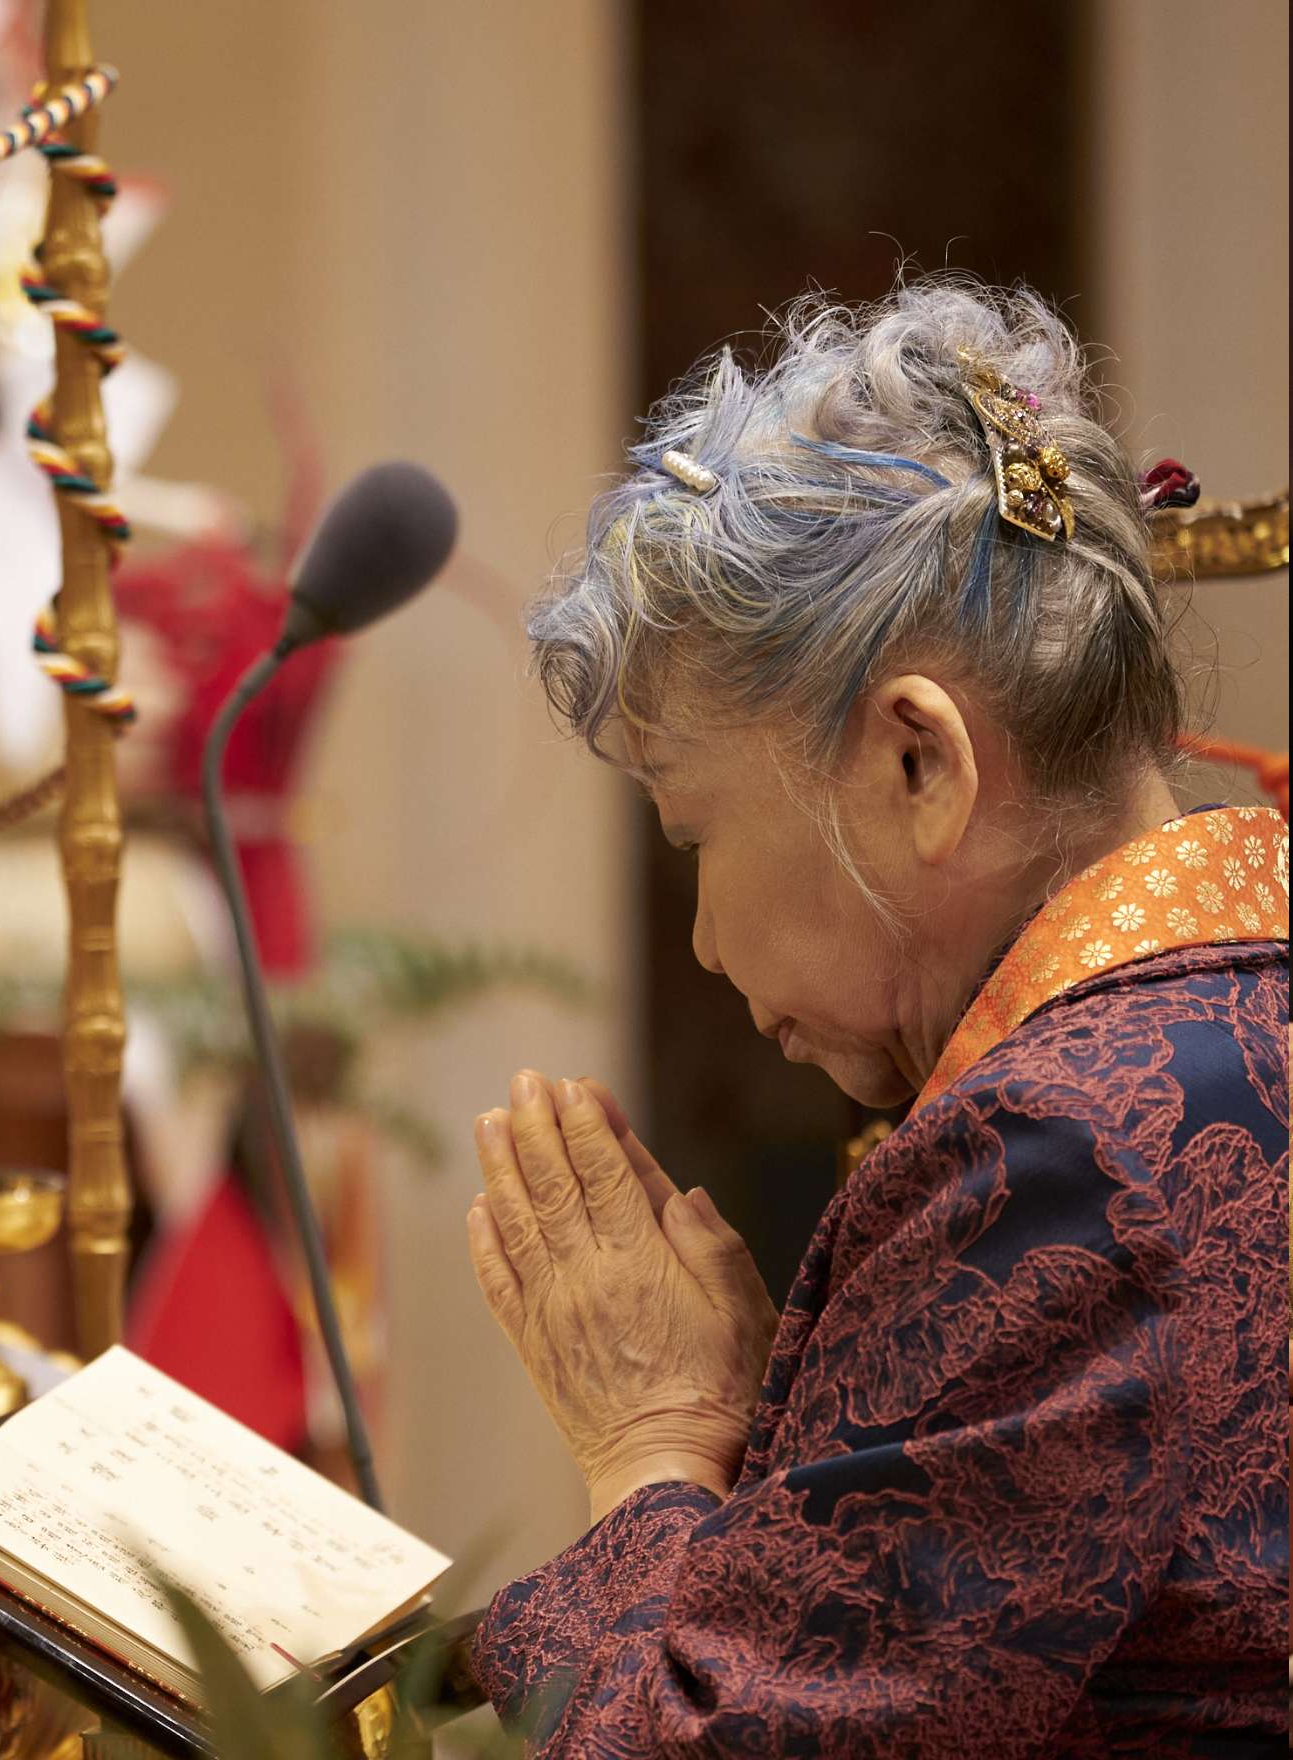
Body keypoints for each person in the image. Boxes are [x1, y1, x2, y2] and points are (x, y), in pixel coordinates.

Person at [460, 278, 1286, 1754]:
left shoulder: (1058, 1158)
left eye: (693, 830)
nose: (705, 942)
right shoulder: (1232, 1021)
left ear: (921, 764)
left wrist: (650, 1445)